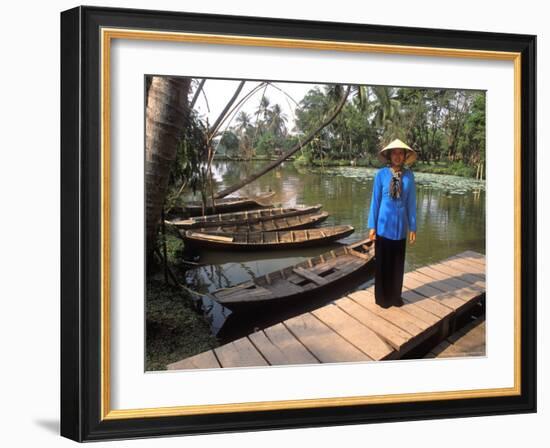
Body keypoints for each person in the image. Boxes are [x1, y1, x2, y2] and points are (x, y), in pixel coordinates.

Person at [367, 139, 417, 308]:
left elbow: (411, 203)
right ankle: (382, 298)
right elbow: (375, 201)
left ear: (405, 156)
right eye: (394, 152)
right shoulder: (381, 175)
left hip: (400, 229)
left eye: (400, 153)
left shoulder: (409, 176)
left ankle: (395, 297)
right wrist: (372, 226)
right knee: (382, 265)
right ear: (389, 155)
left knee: (397, 265)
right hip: (383, 227)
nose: (397, 156)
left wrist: (413, 226)